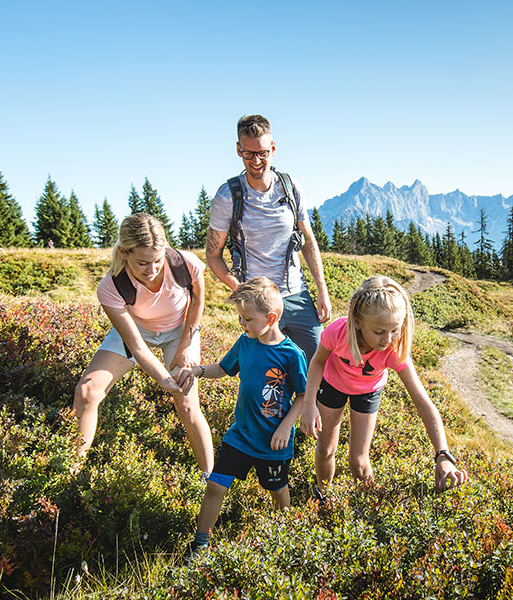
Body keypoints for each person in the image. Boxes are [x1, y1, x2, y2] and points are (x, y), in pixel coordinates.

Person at [301, 275, 468, 499]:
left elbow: (423, 403)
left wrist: (443, 454)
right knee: (325, 449)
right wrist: (309, 404)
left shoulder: (394, 351)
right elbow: (318, 361)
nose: (387, 339)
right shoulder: (337, 332)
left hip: (368, 391)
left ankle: (370, 503)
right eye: (378, 331)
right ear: (358, 321)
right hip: (333, 385)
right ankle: (323, 495)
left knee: (358, 461)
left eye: (394, 330)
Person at [73, 213, 213, 475]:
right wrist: (164, 379)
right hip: (137, 331)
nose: (152, 270)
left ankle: (210, 479)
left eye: (158, 261)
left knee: (186, 403)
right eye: (142, 263)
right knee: (87, 392)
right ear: (124, 253)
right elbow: (137, 347)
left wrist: (186, 346)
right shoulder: (110, 287)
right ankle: (70, 472)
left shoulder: (187, 264)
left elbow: (196, 304)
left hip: (181, 330)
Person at [179, 277, 309, 556]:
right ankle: (200, 544)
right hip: (240, 436)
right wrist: (197, 371)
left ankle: (285, 538)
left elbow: (303, 395)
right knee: (215, 485)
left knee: (277, 490)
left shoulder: (292, 355)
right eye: (240, 317)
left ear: (271, 318)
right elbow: (225, 369)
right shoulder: (245, 342)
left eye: (247, 319)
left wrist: (286, 427)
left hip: (273, 443)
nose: (242, 324)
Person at [205, 114, 332, 362]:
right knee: (268, 378)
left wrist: (322, 289)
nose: (256, 161)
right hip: (257, 303)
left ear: (273, 148)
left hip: (297, 295)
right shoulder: (227, 196)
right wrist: (239, 288)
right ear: (238, 150)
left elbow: (307, 241)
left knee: (319, 367)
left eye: (262, 152)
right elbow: (213, 254)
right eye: (248, 153)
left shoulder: (290, 186)